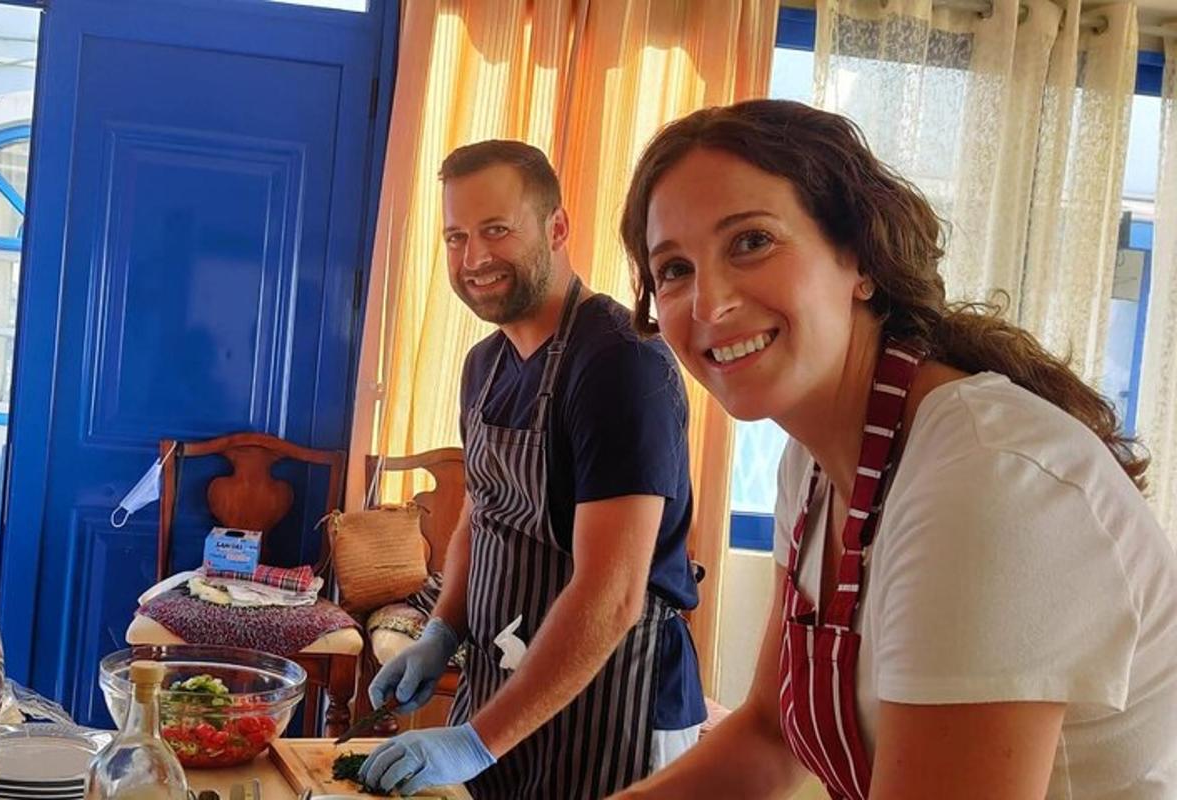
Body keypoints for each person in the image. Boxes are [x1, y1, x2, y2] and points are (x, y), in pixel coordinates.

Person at [609, 99, 1177, 800]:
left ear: (860, 260)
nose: (708, 302)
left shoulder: (984, 479)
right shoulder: (811, 468)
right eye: (673, 270)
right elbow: (768, 737)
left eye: (751, 241)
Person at [358, 140, 706, 799]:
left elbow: (612, 594)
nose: (474, 258)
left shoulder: (620, 363)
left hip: (613, 707)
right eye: (456, 237)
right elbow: (480, 518)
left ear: (557, 228)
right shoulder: (482, 368)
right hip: (502, 693)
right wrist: (442, 630)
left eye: (496, 230)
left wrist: (474, 741)